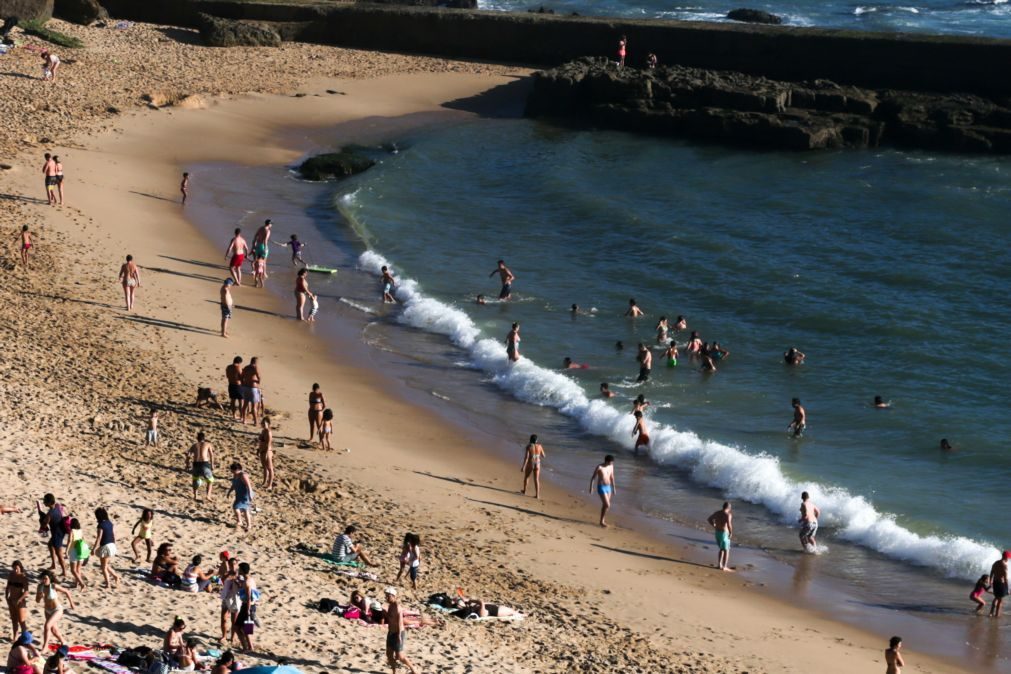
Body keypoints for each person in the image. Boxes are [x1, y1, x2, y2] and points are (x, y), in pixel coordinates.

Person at [36, 571, 73, 651]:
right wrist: (39, 596)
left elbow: (66, 591)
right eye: (43, 579)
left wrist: (71, 603)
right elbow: (37, 601)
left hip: (57, 609)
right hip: (47, 610)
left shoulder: (53, 586)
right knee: (54, 630)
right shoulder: (40, 587)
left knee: (47, 626)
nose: (44, 580)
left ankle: (45, 647)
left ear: (50, 579)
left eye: (46, 578)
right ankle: (63, 642)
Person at [384, 588, 418, 674]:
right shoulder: (390, 605)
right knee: (389, 654)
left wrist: (399, 635)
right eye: (386, 595)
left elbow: (400, 622)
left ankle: (414, 669)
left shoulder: (397, 606)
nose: (386, 597)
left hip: (398, 633)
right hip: (390, 633)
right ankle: (394, 671)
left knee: (400, 656)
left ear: (394, 596)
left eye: (388, 596)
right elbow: (391, 619)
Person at [38, 494, 68, 577]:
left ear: (48, 502)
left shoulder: (50, 514)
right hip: (61, 531)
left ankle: (64, 572)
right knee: (50, 544)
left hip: (56, 534)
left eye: (45, 501)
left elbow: (44, 525)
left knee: (59, 554)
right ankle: (54, 564)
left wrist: (41, 517)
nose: (43, 502)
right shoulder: (57, 507)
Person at [233, 563, 258, 651]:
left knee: (242, 627)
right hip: (250, 606)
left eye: (239, 569)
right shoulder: (250, 580)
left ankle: (248, 647)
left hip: (247, 606)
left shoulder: (247, 582)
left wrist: (247, 611)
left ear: (242, 570)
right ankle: (247, 647)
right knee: (244, 627)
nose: (238, 570)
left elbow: (248, 597)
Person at [92, 508, 120, 589]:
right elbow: (113, 534)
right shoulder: (110, 523)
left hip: (105, 547)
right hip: (112, 545)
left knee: (103, 567)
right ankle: (115, 577)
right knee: (105, 565)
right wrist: (114, 543)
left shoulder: (100, 525)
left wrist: (94, 548)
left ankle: (108, 584)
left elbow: (99, 538)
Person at [5, 561, 30, 641]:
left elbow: (26, 592)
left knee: (22, 621)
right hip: (11, 599)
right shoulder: (11, 575)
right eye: (14, 568)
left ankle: (25, 638)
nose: (16, 570)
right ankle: (15, 637)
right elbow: (7, 587)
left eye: (17, 568)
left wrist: (19, 600)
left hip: (20, 601)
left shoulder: (23, 577)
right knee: (14, 620)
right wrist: (6, 597)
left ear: (20, 568)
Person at [187, 431, 215, 501]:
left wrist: (187, 464)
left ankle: (195, 495)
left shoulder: (194, 445)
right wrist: (212, 465)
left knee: (195, 480)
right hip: (204, 464)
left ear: (197, 438)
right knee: (210, 481)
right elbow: (211, 455)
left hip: (196, 464)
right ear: (204, 438)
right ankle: (208, 495)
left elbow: (188, 455)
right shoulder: (208, 444)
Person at [218, 555, 240, 644]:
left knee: (234, 620)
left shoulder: (239, 574)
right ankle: (224, 636)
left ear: (237, 564)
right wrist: (227, 575)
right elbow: (221, 581)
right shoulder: (227, 573)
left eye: (234, 564)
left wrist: (235, 577)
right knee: (223, 619)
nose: (233, 566)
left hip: (235, 599)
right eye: (231, 564)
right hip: (226, 598)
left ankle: (233, 637)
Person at [589, 455, 616, 527]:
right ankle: (602, 521)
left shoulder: (611, 466)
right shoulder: (599, 467)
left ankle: (602, 521)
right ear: (606, 461)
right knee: (607, 505)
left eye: (612, 462)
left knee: (605, 505)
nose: (612, 463)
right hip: (601, 487)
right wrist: (591, 488)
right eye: (611, 462)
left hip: (608, 487)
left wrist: (614, 488)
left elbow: (612, 477)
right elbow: (593, 478)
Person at [227, 463, 254, 532]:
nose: (231, 471)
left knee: (240, 508)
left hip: (245, 494)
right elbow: (234, 484)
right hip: (239, 494)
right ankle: (244, 523)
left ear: (237, 469)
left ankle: (245, 523)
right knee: (239, 508)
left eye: (232, 470)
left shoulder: (243, 475)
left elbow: (248, 485)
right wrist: (229, 491)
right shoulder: (235, 475)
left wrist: (250, 495)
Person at [707, 502, 734, 571]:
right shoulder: (728, 515)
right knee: (726, 550)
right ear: (729, 508)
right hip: (724, 533)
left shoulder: (717, 513)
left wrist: (714, 525)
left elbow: (709, 519)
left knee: (722, 549)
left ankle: (719, 564)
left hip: (717, 533)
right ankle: (724, 566)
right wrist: (731, 533)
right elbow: (729, 524)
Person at [67, 519, 89, 590]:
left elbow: (69, 541)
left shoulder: (72, 531)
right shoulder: (80, 531)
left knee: (73, 570)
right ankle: (76, 584)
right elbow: (83, 539)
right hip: (80, 550)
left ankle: (82, 584)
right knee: (78, 569)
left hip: (73, 550)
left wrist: (66, 551)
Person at [239, 357, 261, 426]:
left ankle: (244, 420)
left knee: (245, 404)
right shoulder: (255, 367)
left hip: (245, 387)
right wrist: (257, 382)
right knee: (254, 406)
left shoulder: (246, 367)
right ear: (256, 362)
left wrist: (243, 383)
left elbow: (241, 377)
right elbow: (259, 377)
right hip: (252, 388)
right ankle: (255, 421)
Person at [989, 551, 1010, 617]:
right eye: (1008, 558)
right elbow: (1005, 578)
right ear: (1006, 557)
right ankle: (997, 614)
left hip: (995, 582)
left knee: (996, 598)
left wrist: (990, 581)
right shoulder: (1004, 566)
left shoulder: (995, 563)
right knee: (1000, 600)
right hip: (1001, 584)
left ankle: (991, 612)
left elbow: (991, 572)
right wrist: (1008, 588)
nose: (1008, 559)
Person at [257, 417, 274, 490]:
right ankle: (264, 482)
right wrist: (258, 450)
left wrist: (266, 453)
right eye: (262, 423)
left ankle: (269, 485)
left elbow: (268, 443)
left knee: (270, 468)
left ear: (268, 424)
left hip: (267, 451)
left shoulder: (268, 432)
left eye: (264, 423)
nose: (263, 424)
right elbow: (261, 442)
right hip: (262, 451)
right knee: (264, 468)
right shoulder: (263, 431)